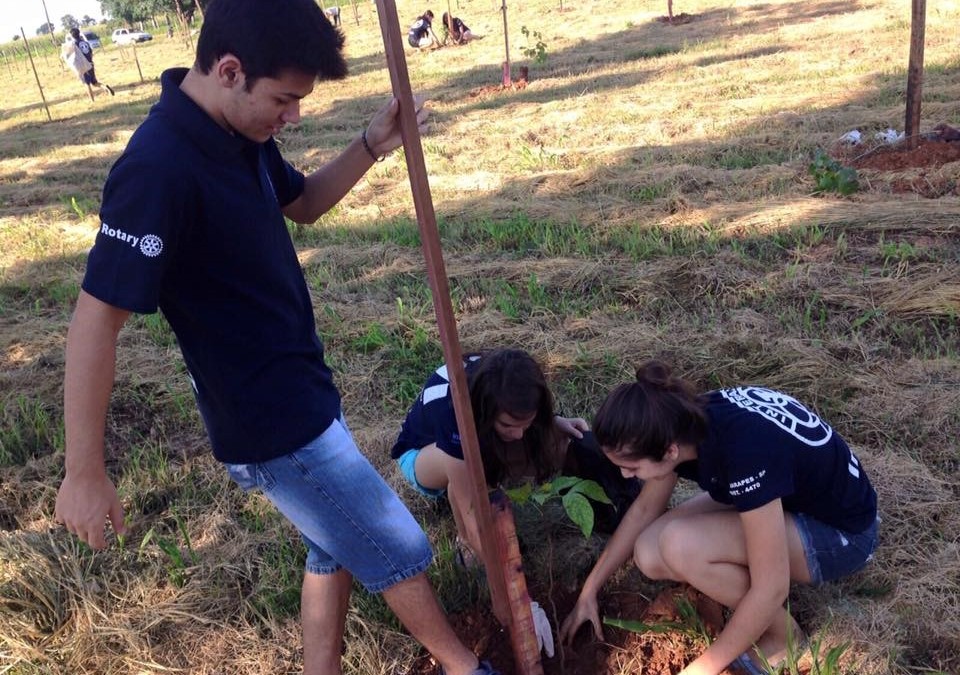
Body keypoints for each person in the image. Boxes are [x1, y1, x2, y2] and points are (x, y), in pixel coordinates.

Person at [53, 1, 499, 674]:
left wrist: (373, 144)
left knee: (335, 547)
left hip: (306, 390)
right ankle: (467, 666)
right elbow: (96, 319)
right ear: (229, 71)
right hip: (268, 422)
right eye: (285, 99)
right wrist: (83, 471)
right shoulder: (159, 167)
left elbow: (305, 204)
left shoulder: (244, 135)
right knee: (394, 544)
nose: (293, 116)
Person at [559, 361, 879, 675]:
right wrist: (590, 589)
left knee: (680, 545)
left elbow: (772, 587)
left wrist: (701, 669)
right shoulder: (678, 421)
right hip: (787, 498)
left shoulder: (743, 453)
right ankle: (733, 583)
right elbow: (643, 510)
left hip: (841, 535)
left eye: (632, 468)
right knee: (649, 550)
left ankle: (785, 636)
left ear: (669, 452)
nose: (624, 474)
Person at [391, 348, 642, 563]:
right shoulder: (456, 413)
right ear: (488, 411)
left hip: (475, 438)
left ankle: (614, 510)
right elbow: (471, 509)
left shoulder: (510, 379)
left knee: (566, 444)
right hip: (424, 456)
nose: (520, 434)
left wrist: (553, 423)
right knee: (467, 473)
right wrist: (501, 563)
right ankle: (466, 546)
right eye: (509, 425)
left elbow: (526, 423)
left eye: (526, 423)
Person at [62, 27, 115, 101]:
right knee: (94, 82)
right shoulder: (85, 42)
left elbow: (68, 55)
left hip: (83, 66)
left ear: (72, 35)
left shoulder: (74, 44)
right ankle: (105, 87)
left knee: (86, 84)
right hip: (90, 64)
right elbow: (90, 52)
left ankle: (92, 101)